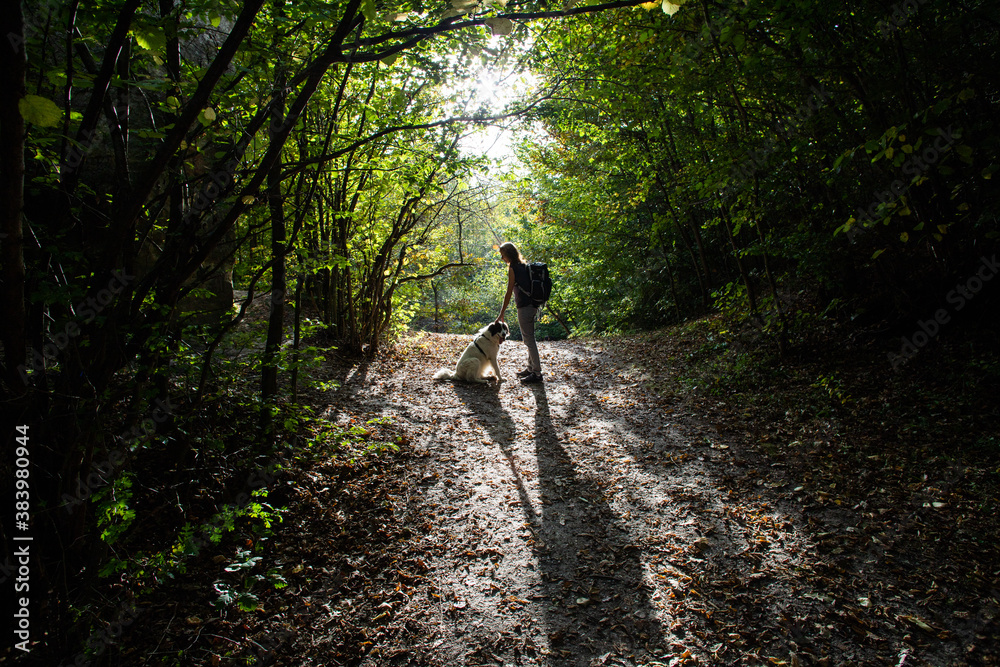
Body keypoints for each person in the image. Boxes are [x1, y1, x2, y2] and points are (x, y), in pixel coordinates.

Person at [496, 242, 542, 384]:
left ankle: (537, 373)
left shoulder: (513, 268)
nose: (502, 258)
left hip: (525, 307)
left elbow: (509, 292)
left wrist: (501, 313)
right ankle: (530, 368)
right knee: (529, 338)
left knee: (529, 340)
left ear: (508, 254)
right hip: (533, 305)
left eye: (502, 255)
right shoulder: (524, 266)